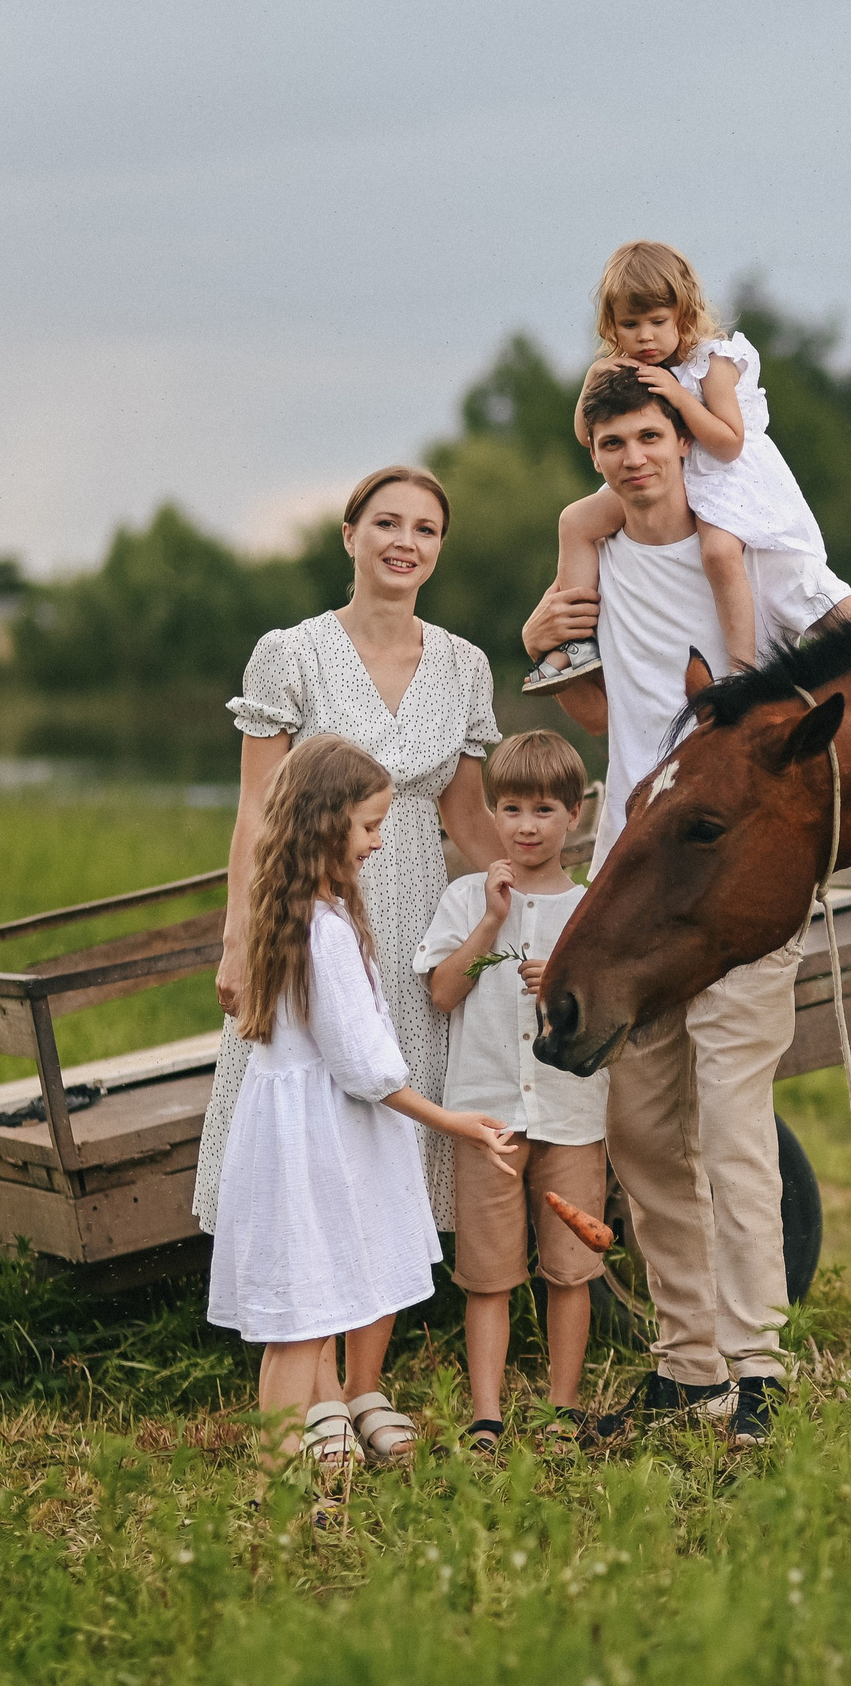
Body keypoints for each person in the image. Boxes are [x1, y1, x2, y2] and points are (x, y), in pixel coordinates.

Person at [523, 366, 851, 1448]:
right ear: (597, 459)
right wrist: (543, 632)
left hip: (727, 888)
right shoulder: (599, 566)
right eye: (614, 444)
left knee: (731, 1123)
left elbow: (815, 650)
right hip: (638, 882)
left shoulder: (742, 555)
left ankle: (758, 1369)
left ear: (681, 441)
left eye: (649, 437)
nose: (634, 458)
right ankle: (688, 1366)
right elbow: (587, 704)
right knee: (638, 1125)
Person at [193, 464, 508, 1466]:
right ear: (349, 533)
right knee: (312, 1143)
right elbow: (255, 808)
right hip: (310, 908)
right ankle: (312, 1382)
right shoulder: (291, 653)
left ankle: (365, 1385)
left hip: (415, 910)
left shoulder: (461, 664)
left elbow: (465, 813)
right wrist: (243, 935)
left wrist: (522, 899)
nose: (404, 541)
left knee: (392, 1142)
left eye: (424, 527)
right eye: (386, 522)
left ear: (439, 547)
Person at [204, 734, 519, 1479]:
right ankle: (277, 1481)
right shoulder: (325, 932)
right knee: (302, 1327)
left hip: (290, 1130)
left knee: (309, 1318)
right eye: (371, 825)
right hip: (319, 1141)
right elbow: (364, 1066)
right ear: (326, 823)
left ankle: (309, 1468)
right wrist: (454, 1122)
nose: (380, 841)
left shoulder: (285, 914)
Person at [522, 239, 842, 694]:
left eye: (657, 322)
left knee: (720, 554)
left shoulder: (710, 363)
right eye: (630, 325)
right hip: (662, 474)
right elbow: (584, 434)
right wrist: (593, 382)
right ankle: (578, 644)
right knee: (575, 521)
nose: (645, 337)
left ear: (683, 315)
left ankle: (741, 669)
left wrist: (676, 395)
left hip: (720, 474)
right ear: (612, 326)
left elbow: (730, 443)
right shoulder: (621, 367)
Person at [414, 729, 610, 1450]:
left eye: (545, 810)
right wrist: (493, 920)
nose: (528, 826)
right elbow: (441, 992)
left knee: (569, 1267)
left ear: (575, 815)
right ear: (493, 814)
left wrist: (564, 981)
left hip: (572, 1113)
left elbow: (607, 1010)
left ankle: (561, 1411)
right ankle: (487, 1415)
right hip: (486, 1116)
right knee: (488, 1273)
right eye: (512, 808)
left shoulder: (590, 908)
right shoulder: (467, 898)